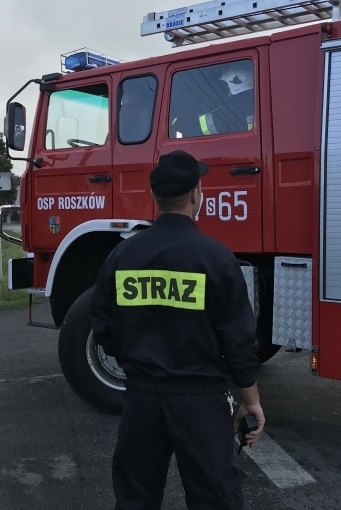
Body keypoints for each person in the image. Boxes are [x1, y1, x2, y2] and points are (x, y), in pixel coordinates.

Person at [91, 149, 265, 510]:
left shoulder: (122, 256)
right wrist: (250, 400)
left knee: (135, 498)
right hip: (199, 400)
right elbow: (237, 341)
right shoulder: (216, 257)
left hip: (141, 397)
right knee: (214, 498)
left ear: (156, 198)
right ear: (195, 196)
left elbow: (103, 329)